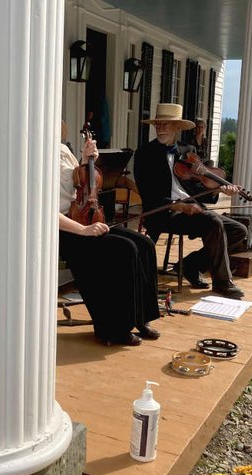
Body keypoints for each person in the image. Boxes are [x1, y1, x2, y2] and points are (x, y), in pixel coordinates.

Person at [133, 103, 247, 300]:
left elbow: (198, 187)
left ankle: (190, 265)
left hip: (193, 209)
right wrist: (178, 205)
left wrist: (218, 188)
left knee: (239, 231)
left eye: (166, 124)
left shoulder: (188, 150)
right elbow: (148, 194)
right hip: (163, 212)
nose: (160, 128)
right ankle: (222, 282)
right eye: (158, 124)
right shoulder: (144, 154)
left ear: (177, 127)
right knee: (214, 222)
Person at [59, 127, 160, 347]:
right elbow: (42, 209)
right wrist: (82, 230)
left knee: (144, 243)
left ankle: (141, 317)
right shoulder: (34, 157)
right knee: (124, 250)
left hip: (83, 217)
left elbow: (77, 181)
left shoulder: (62, 151)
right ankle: (113, 329)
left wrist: (85, 158)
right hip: (62, 228)